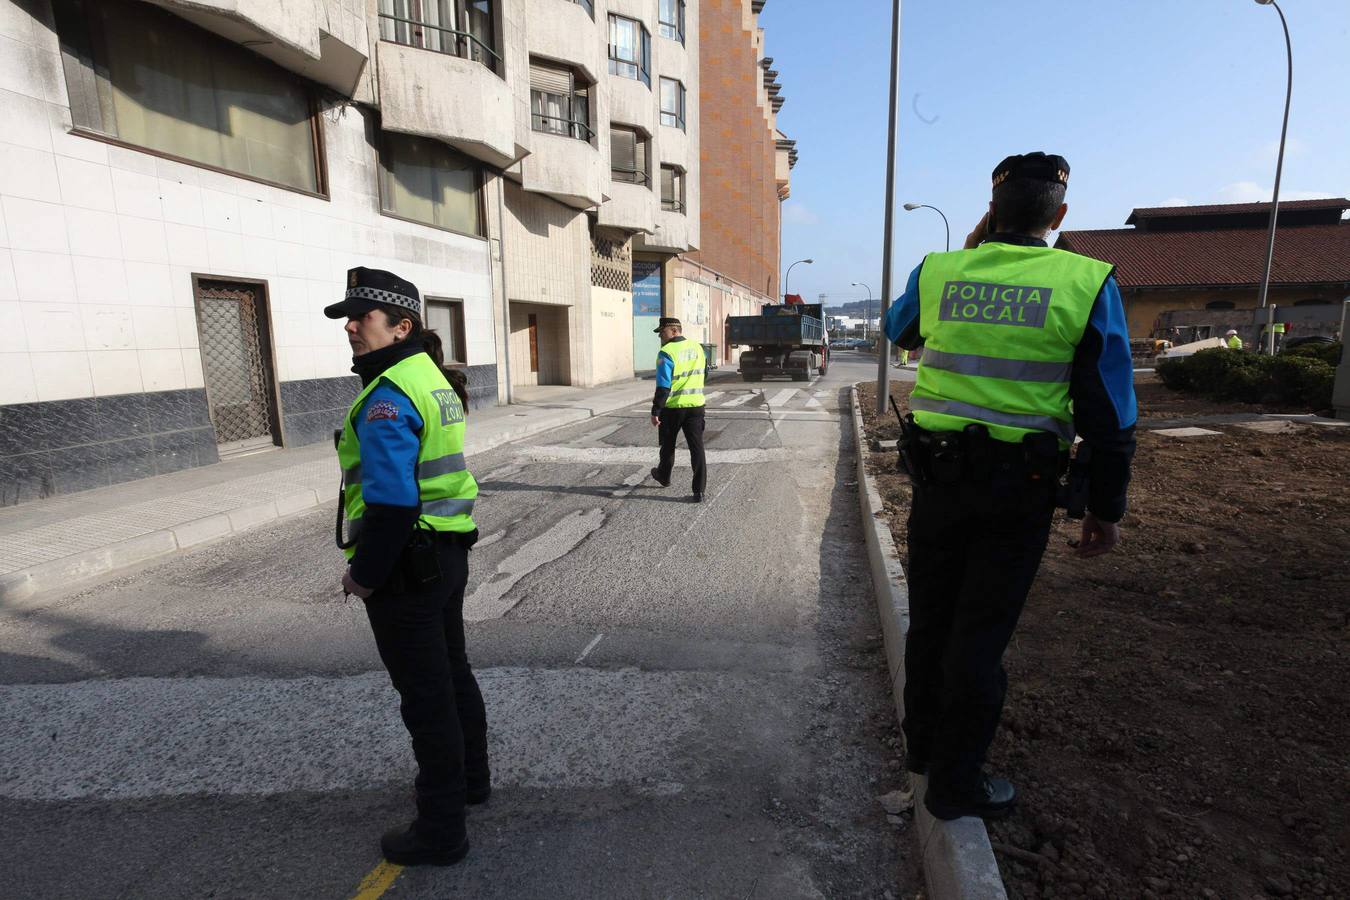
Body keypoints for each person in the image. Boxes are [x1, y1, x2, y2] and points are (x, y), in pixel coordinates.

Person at [883, 153, 1136, 821]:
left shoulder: (943, 270)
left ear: (989, 211)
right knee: (980, 634)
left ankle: (922, 752)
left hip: (938, 481)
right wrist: (1106, 507)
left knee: (932, 620)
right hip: (1017, 488)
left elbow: (897, 328)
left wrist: (966, 252)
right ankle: (956, 785)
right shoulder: (1085, 281)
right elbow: (1109, 412)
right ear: (1059, 215)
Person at [325, 267, 489, 866]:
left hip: (405, 565)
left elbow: (392, 505)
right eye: (349, 316)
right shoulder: (430, 377)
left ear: (401, 326)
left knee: (426, 698)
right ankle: (472, 783)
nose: (349, 326)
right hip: (445, 554)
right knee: (452, 674)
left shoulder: (389, 393)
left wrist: (362, 576)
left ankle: (441, 831)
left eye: (360, 316)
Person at [647, 316, 707, 502]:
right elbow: (705, 373)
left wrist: (656, 410)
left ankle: (664, 476)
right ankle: (699, 491)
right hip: (696, 405)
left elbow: (664, 386)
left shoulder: (666, 352)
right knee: (697, 448)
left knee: (667, 444)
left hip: (673, 408)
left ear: (674, 330)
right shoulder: (698, 347)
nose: (660, 337)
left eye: (662, 332)